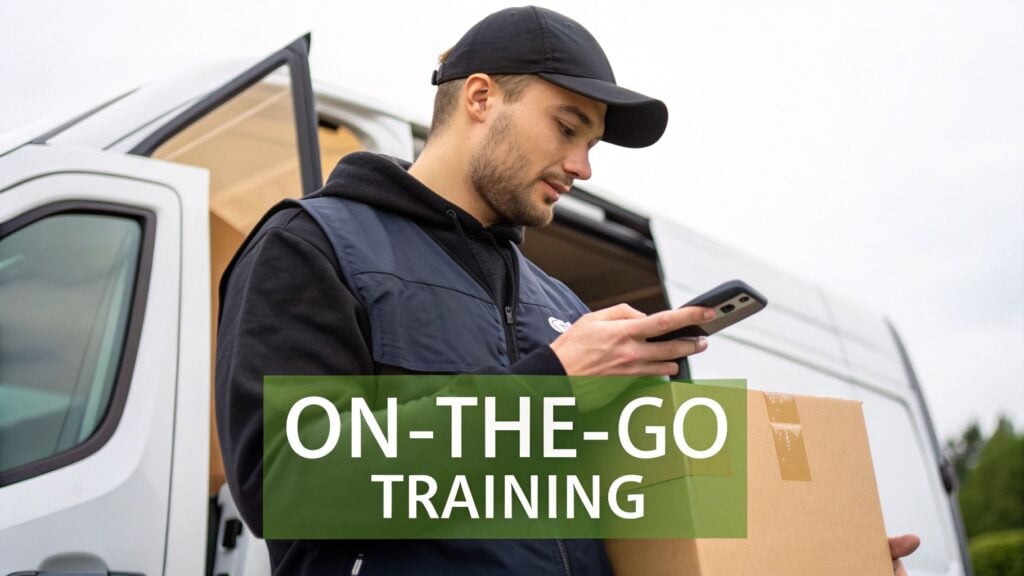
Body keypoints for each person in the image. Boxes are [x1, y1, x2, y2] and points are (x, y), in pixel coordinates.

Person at [215, 5, 920, 575]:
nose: (583, 165)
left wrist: (816, 559)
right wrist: (551, 384)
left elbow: (650, 533)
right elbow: (287, 486)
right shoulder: (313, 246)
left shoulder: (565, 308)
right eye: (567, 126)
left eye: (595, 143)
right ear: (482, 98)